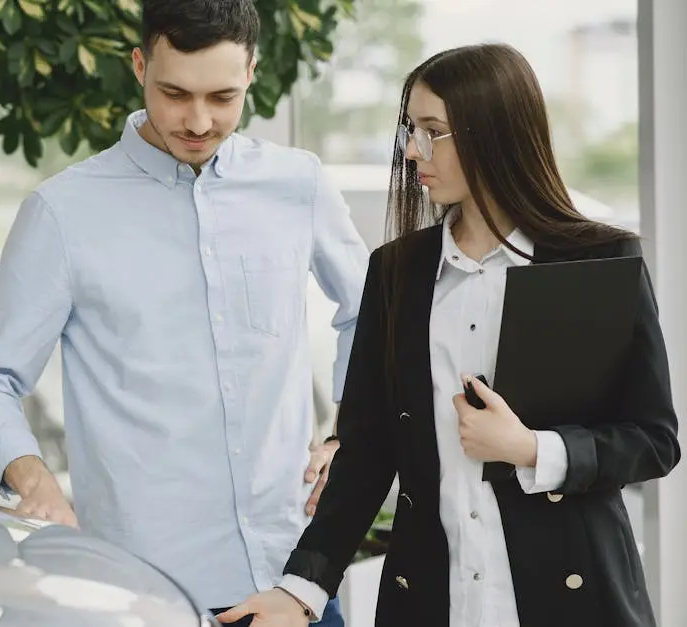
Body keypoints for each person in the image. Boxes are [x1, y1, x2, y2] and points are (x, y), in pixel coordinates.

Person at [217, 43, 681, 627]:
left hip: (571, 600)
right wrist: (301, 589)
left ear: (495, 132)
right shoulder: (397, 271)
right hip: (434, 602)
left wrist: (532, 449)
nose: (414, 151)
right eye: (413, 129)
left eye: (434, 131)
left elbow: (653, 439)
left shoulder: (598, 258)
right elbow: (366, 450)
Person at [0, 0, 368, 624]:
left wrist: (348, 433)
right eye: (175, 93)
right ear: (140, 66)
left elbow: (369, 313)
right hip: (143, 595)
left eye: (222, 97)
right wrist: (31, 475)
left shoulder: (298, 185)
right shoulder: (63, 214)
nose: (198, 120)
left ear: (252, 72)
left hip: (294, 586)